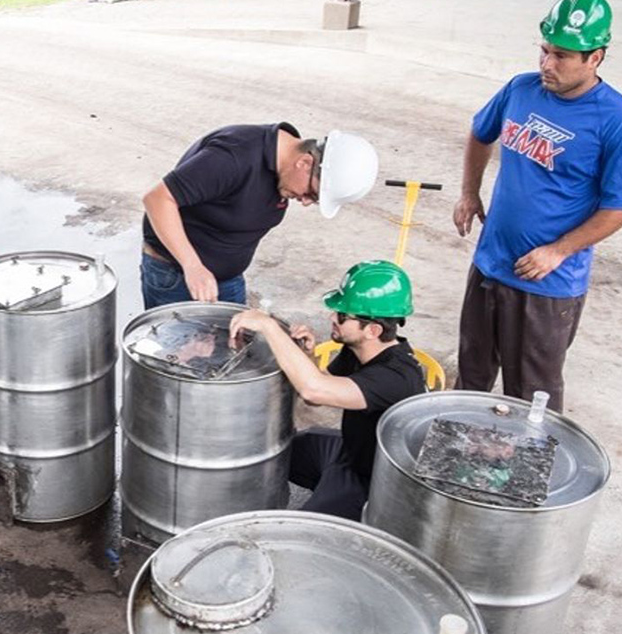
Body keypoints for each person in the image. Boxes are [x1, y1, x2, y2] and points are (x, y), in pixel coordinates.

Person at [452, 0, 622, 411]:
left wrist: (558, 250)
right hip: (490, 262)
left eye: (561, 55)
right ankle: (461, 461)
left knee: (532, 398)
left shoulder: (619, 121)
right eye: (544, 50)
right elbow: (480, 132)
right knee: (470, 377)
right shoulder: (520, 89)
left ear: (595, 57)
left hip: (546, 285)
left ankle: (527, 472)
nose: (547, 63)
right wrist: (469, 193)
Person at [229, 261, 425, 520]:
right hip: (350, 450)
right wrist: (307, 356)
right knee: (271, 449)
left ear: (373, 330)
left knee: (301, 531)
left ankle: (353, 518)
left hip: (374, 481)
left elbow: (313, 391)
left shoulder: (396, 378)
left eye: (343, 316)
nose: (332, 317)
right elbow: (319, 396)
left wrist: (269, 327)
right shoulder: (359, 349)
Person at [141, 124, 378, 308]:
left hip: (227, 279)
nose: (305, 201)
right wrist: (193, 266)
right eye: (311, 193)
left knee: (229, 359)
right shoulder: (233, 156)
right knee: (177, 362)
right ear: (305, 162)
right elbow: (158, 199)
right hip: (177, 276)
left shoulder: (283, 168)